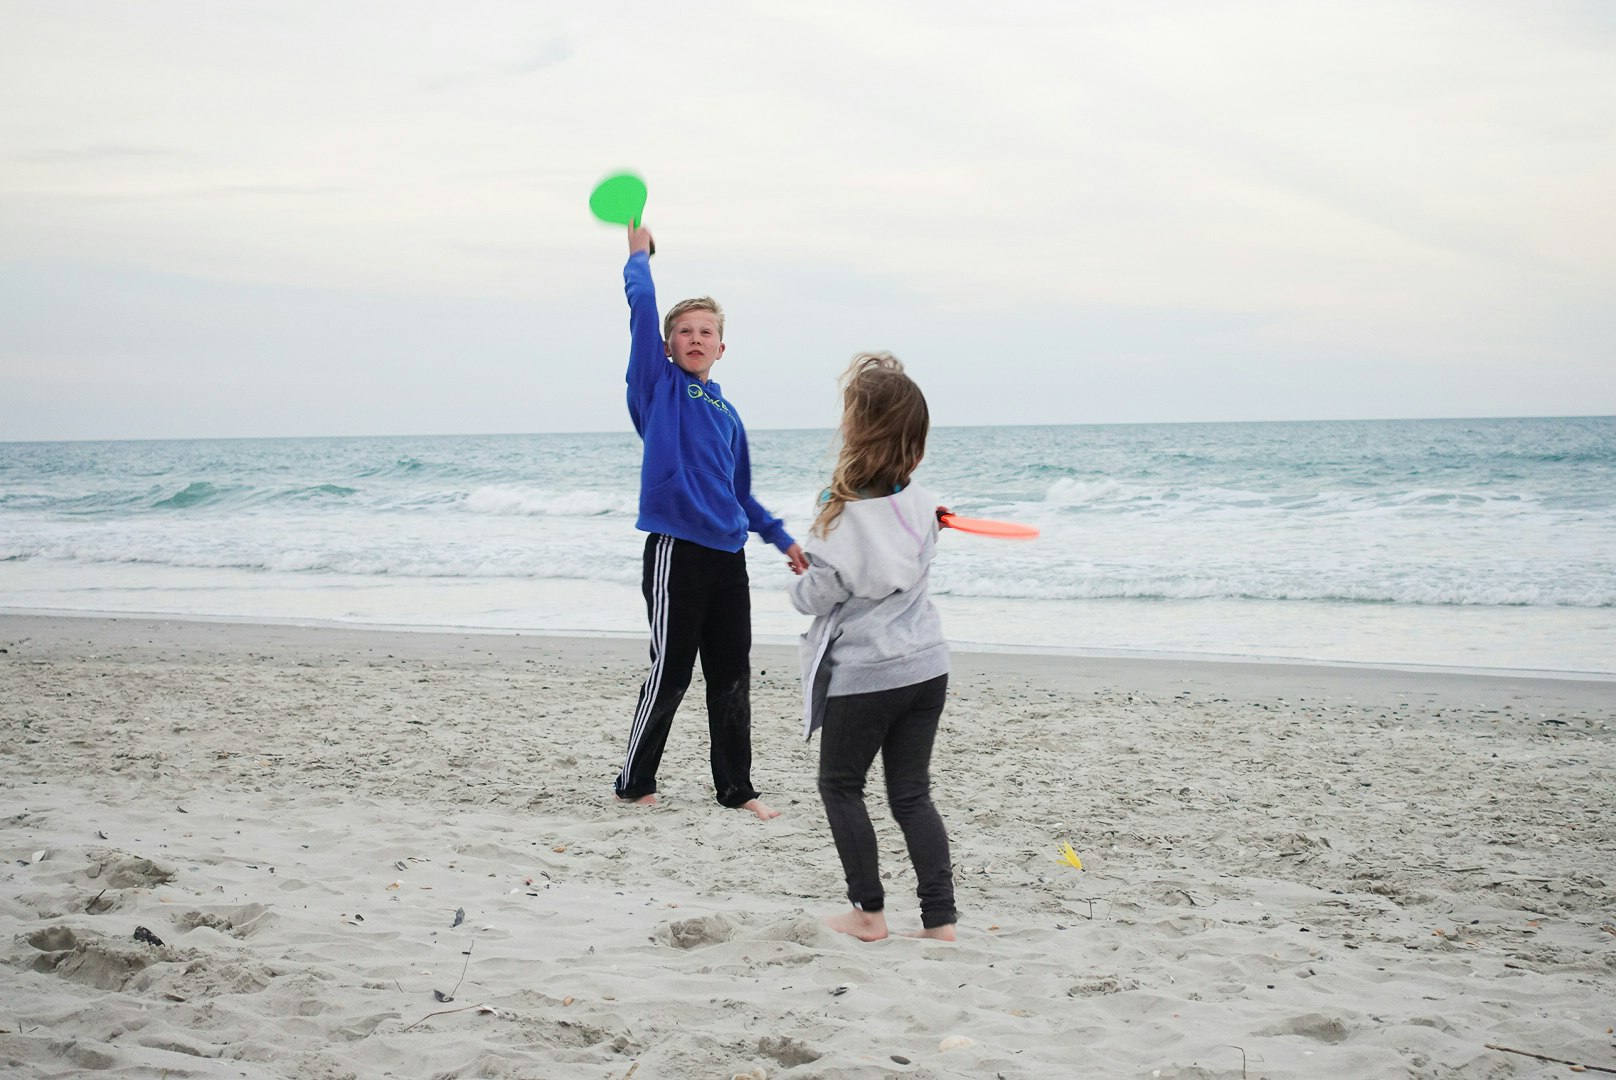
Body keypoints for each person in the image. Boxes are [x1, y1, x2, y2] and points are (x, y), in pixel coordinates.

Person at [613, 222, 806, 821]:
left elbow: (739, 493)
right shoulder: (656, 388)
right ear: (667, 345)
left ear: (723, 346)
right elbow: (643, 307)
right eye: (684, 331)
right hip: (677, 550)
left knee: (731, 677)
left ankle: (737, 789)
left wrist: (780, 537)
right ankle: (635, 780)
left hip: (729, 556)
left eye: (707, 331)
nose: (695, 338)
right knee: (671, 671)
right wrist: (638, 257)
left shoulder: (727, 413)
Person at [790, 352, 956, 941]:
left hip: (867, 673)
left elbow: (817, 596)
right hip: (926, 665)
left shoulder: (840, 512)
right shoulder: (924, 502)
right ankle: (940, 924)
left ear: (857, 427)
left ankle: (868, 914)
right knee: (911, 794)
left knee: (840, 786)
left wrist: (800, 573)